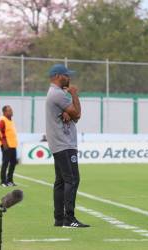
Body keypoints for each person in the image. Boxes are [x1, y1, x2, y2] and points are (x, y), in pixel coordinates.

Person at [46, 64, 90, 228]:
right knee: (72, 179)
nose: (69, 78)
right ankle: (69, 219)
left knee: (60, 181)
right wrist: (74, 94)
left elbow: (74, 117)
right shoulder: (59, 94)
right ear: (58, 76)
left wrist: (69, 111)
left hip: (59, 143)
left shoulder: (56, 94)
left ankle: (59, 218)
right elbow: (77, 114)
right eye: (66, 75)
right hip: (64, 143)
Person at [0, 105, 18, 187]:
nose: (11, 112)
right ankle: (3, 182)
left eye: (11, 110)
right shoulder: (2, 120)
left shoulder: (10, 120)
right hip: (6, 145)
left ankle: (10, 181)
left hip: (12, 145)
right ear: (4, 112)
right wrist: (3, 141)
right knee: (5, 163)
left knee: (13, 163)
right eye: (9, 110)